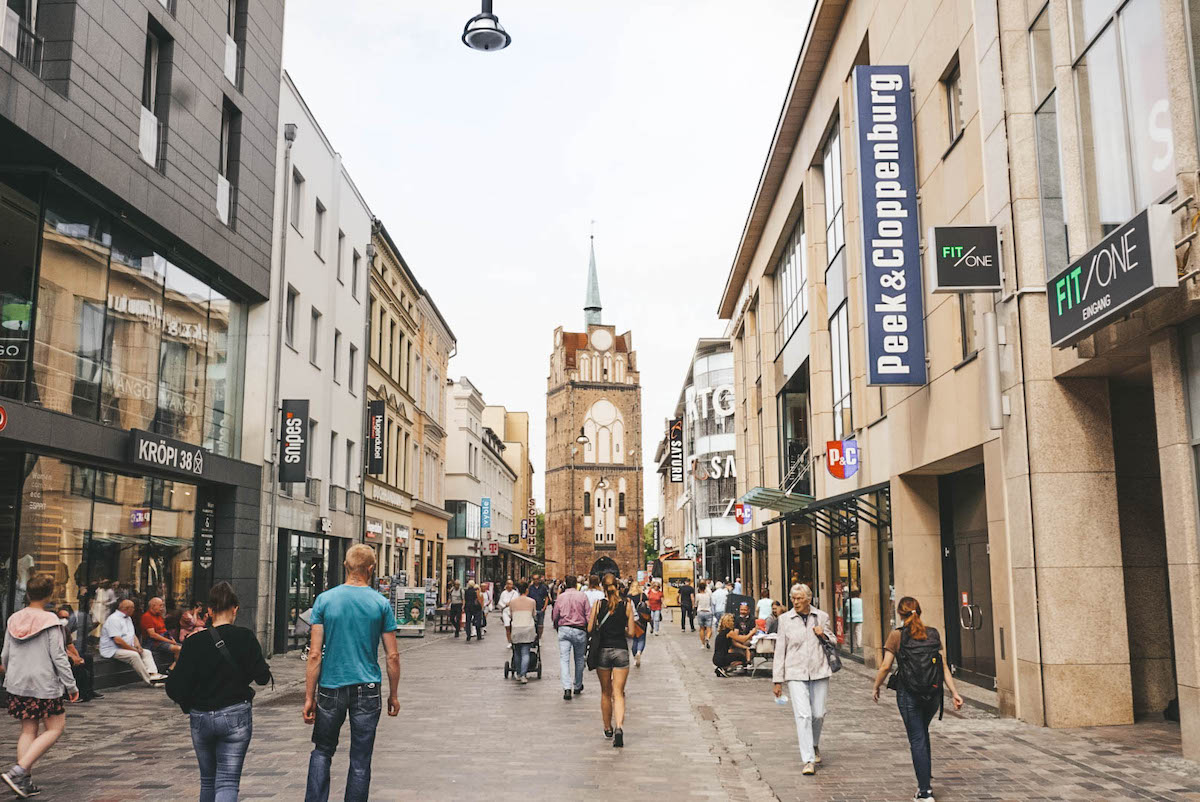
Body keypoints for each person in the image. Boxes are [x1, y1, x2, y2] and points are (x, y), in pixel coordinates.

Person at [303, 544, 400, 802]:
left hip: (330, 687)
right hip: (367, 688)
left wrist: (309, 697)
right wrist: (394, 694)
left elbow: (314, 654)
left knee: (322, 751)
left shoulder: (324, 600)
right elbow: (392, 655)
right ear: (371, 569)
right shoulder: (380, 603)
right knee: (360, 758)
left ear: (346, 566)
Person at [167, 581, 272, 802]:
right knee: (227, 781)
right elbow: (262, 678)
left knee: (208, 780)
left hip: (201, 716)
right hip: (235, 714)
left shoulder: (194, 642)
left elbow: (175, 688)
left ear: (210, 612)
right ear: (235, 609)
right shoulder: (245, 637)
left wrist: (189, 704)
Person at [871, 596, 963, 802]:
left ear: (899, 614)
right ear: (919, 611)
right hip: (932, 694)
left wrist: (876, 686)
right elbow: (943, 666)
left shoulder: (897, 636)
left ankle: (924, 792)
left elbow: (886, 666)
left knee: (917, 738)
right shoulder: (932, 633)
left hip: (908, 693)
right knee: (922, 733)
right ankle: (925, 774)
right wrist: (954, 693)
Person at [0, 574, 78, 798]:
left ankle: (24, 781)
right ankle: (18, 771)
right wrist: (71, 685)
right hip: (43, 683)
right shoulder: (51, 621)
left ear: (28, 593)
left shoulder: (14, 619)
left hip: (18, 682)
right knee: (55, 728)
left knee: (28, 730)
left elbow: (5, 654)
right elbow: (59, 657)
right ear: (49, 595)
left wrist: (10, 672)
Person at [772, 583, 833, 776]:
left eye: (799, 599)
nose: (796, 602)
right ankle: (808, 760)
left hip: (819, 670)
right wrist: (777, 680)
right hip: (795, 672)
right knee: (803, 715)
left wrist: (822, 633)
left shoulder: (822, 617)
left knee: (818, 713)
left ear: (808, 599)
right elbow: (779, 650)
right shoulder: (784, 620)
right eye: (793, 599)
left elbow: (834, 640)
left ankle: (814, 744)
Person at [587, 573, 636, 748]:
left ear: (602, 587)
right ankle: (619, 727)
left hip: (603, 651)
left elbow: (590, 628)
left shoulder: (598, 604)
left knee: (605, 692)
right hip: (621, 650)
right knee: (619, 693)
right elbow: (631, 633)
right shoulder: (627, 604)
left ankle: (607, 727)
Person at [100, 599, 166, 685]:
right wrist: (133, 649)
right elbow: (118, 640)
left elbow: (132, 634)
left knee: (146, 652)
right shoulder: (114, 619)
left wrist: (138, 646)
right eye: (133, 608)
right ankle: (150, 680)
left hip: (126, 647)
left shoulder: (128, 618)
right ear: (127, 609)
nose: (134, 610)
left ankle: (153, 674)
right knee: (134, 655)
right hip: (113, 649)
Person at [552, 576, 590, 701]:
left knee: (564, 660)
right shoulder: (582, 596)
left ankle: (567, 688)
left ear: (565, 585)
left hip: (564, 629)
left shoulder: (561, 597)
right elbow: (588, 615)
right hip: (579, 629)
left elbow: (555, 615)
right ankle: (578, 685)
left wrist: (556, 625)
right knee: (579, 659)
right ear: (576, 584)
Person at [55, 606, 99, 703]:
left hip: (65, 652)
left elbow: (70, 646)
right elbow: (59, 648)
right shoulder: (54, 629)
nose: (64, 620)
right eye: (62, 617)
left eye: (66, 618)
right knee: (75, 664)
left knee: (87, 658)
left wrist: (78, 657)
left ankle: (89, 690)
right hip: (57, 654)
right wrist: (74, 658)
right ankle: (78, 694)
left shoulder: (65, 629)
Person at [506, 582, 537, 684]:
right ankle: (523, 674)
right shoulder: (532, 601)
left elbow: (510, 615)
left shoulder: (513, 602)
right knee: (525, 653)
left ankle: (519, 673)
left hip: (516, 629)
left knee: (517, 653)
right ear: (527, 590)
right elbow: (534, 614)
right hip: (528, 628)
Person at [141, 596, 182, 672]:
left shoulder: (159, 616)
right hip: (154, 643)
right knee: (178, 649)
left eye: (162, 605)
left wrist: (172, 639)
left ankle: (174, 667)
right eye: (160, 605)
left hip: (164, 641)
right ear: (153, 606)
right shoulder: (147, 616)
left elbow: (164, 630)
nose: (162, 608)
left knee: (185, 648)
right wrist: (169, 641)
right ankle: (172, 669)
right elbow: (152, 635)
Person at [625, 581, 650, 668]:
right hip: (642, 620)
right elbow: (648, 606)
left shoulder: (628, 596)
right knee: (641, 638)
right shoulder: (642, 595)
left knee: (633, 639)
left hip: (631, 620)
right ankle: (639, 652)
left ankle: (635, 654)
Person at [527, 574, 551, 639]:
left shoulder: (543, 587)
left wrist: (544, 607)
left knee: (540, 624)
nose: (536, 581)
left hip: (541, 608)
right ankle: (534, 637)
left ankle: (539, 637)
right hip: (532, 609)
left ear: (539, 579)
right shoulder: (530, 588)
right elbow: (528, 597)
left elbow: (546, 597)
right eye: (534, 579)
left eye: (537, 579)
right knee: (533, 624)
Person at [695, 581, 714, 648]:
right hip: (708, 612)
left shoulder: (697, 595)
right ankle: (708, 637)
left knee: (702, 629)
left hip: (700, 612)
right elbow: (711, 603)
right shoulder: (708, 595)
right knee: (709, 629)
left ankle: (702, 644)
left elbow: (695, 604)